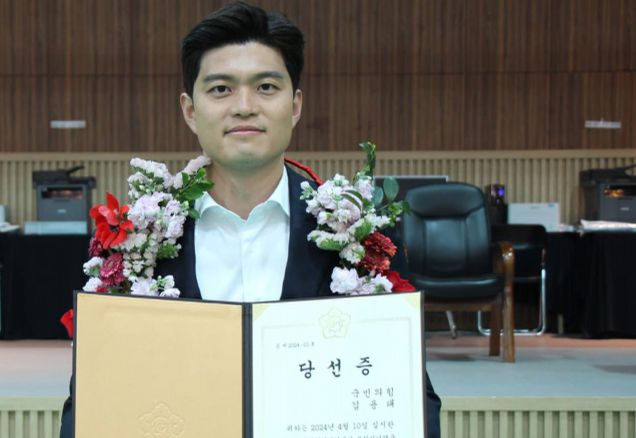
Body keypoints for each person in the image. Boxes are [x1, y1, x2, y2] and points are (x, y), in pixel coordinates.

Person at [60, 2, 441, 436]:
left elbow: (411, 396)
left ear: (295, 105)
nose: (244, 106)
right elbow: (90, 402)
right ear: (190, 110)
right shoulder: (133, 244)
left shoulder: (360, 236)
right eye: (221, 89)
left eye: (266, 87)